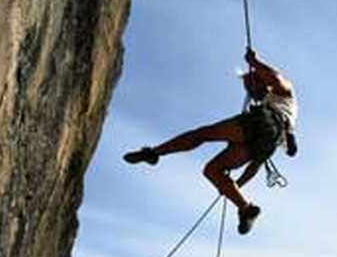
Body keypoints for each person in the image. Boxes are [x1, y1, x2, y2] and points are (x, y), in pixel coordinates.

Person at [123, 48, 298, 234]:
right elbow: (254, 165)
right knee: (212, 170)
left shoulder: (282, 94)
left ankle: (153, 153)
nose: (250, 92)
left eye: (250, 86)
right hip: (266, 143)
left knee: (203, 134)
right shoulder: (281, 113)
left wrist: (254, 62)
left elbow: (276, 78)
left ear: (259, 82)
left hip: (264, 124)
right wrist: (233, 188)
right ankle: (246, 209)